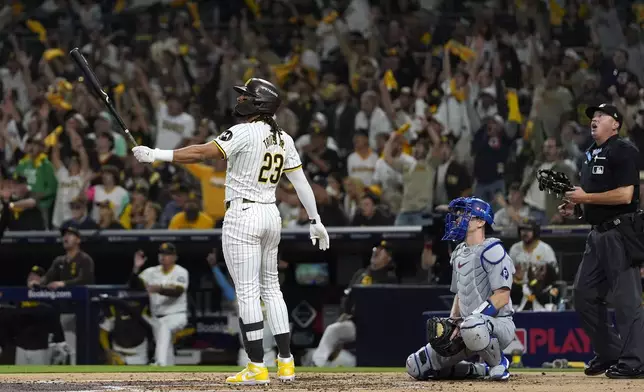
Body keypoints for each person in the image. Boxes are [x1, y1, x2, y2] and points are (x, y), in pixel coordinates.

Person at [132, 77, 330, 385]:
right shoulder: (285, 139)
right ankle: (286, 363)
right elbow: (301, 182)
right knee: (272, 290)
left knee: (248, 293)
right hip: (270, 214)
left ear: (259, 104)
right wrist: (315, 219)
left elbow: (201, 153)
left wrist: (156, 154)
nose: (240, 100)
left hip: (243, 213)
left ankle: (256, 366)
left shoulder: (244, 131)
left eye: (246, 96)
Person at [561, 103, 644, 378]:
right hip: (596, 234)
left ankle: (635, 362)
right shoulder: (589, 154)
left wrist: (584, 198)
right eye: (592, 118)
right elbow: (594, 197)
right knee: (583, 295)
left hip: (621, 233)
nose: (594, 120)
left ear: (616, 124)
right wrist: (577, 207)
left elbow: (624, 196)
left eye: (600, 117)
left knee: (626, 301)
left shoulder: (624, 149)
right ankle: (610, 353)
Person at [406, 197, 515, 381]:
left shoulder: (493, 250)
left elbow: (502, 296)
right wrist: (453, 321)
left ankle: (498, 364)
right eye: (458, 215)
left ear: (480, 221)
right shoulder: (458, 253)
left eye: (465, 215)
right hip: (466, 328)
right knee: (415, 366)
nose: (458, 219)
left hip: (498, 325)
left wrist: (473, 318)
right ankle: (477, 370)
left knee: (472, 324)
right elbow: (459, 295)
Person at [311, 240, 398, 368]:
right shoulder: (361, 274)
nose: (376, 252)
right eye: (376, 249)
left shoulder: (389, 278)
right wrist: (345, 314)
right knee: (333, 330)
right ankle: (317, 365)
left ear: (388, 258)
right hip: (357, 323)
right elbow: (347, 298)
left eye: (381, 251)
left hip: (378, 326)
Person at [36, 226, 95, 365]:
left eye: (70, 235)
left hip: (83, 311)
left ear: (78, 240)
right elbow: (47, 277)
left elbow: (85, 279)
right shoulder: (59, 261)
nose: (66, 238)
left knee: (80, 348)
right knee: (68, 348)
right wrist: (37, 283)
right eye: (64, 235)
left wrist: (64, 283)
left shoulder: (85, 259)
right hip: (64, 311)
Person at [129, 243, 188, 366]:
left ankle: (159, 363)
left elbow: (178, 291)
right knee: (166, 347)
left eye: (167, 254)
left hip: (176, 315)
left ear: (174, 257)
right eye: (161, 254)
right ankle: (170, 377)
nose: (163, 257)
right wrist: (136, 268)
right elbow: (133, 286)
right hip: (157, 317)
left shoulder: (180, 271)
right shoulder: (151, 272)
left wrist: (159, 289)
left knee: (164, 329)